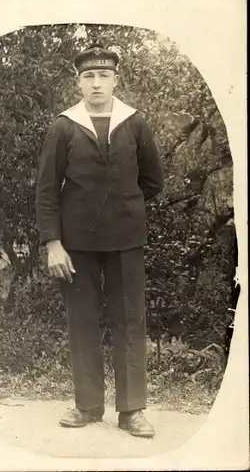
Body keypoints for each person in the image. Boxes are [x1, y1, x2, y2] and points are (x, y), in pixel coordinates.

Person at [36, 41, 164, 438]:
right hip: (76, 246)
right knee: (83, 322)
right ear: (79, 81)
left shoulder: (135, 123)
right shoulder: (63, 126)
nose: (96, 83)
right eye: (88, 76)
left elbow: (152, 180)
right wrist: (53, 242)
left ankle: (132, 412)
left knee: (130, 321)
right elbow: (46, 190)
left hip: (126, 241)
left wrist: (121, 207)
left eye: (103, 76)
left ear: (115, 80)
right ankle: (88, 405)